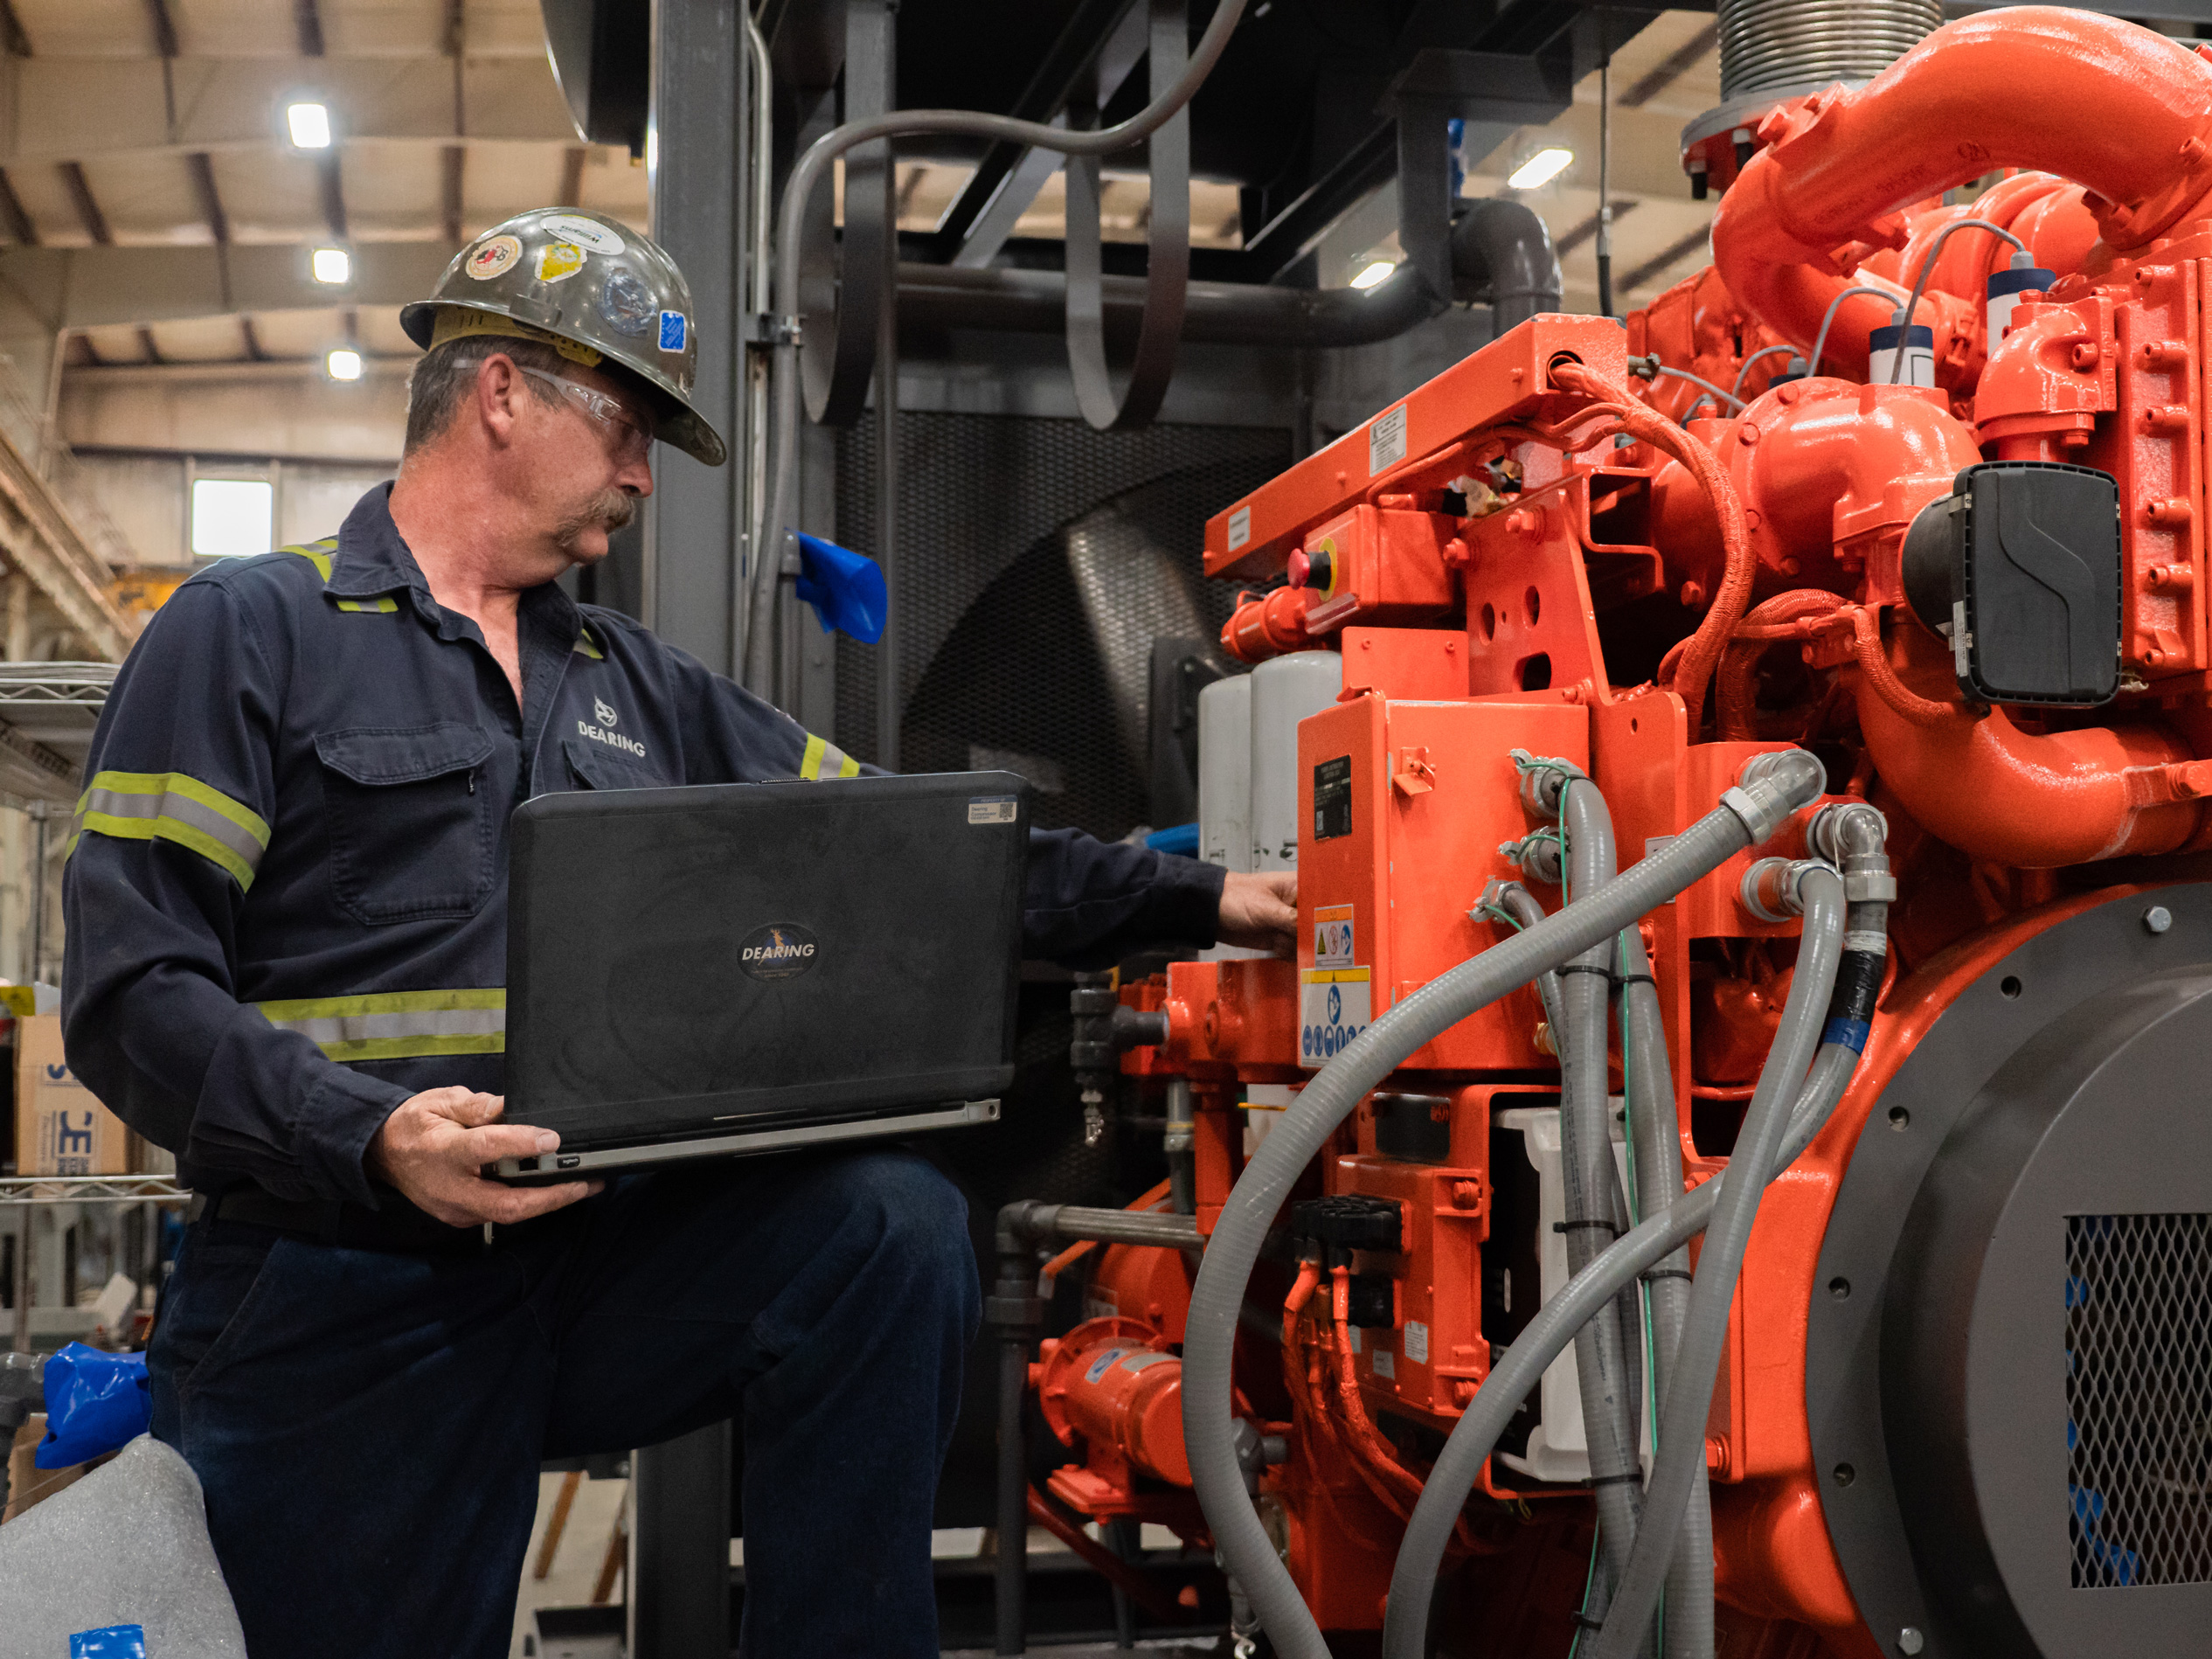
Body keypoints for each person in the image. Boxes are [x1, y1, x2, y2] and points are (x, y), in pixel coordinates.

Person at [60, 208, 1296, 1659]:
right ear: (503, 390)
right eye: (630, 423)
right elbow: (134, 992)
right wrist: (375, 1135)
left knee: (887, 1233)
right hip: (339, 1274)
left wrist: (1200, 897)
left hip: (588, 1262)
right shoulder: (247, 630)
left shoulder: (635, 688)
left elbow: (913, 854)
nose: (646, 473)